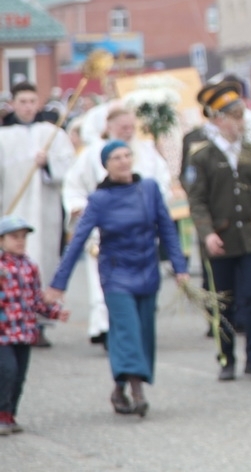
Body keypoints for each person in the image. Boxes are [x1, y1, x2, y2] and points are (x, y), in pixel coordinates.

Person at [47, 141, 188, 417]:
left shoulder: (149, 189)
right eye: (116, 158)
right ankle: (137, 391)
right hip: (117, 274)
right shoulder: (99, 200)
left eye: (127, 155)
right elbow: (77, 241)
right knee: (127, 330)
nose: (123, 161)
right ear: (106, 165)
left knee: (143, 333)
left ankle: (118, 388)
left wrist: (179, 267)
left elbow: (167, 230)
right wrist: (58, 284)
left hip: (147, 269)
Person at [185, 81, 251, 381]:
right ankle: (226, 358)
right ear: (218, 119)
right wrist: (207, 233)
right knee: (222, 302)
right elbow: (197, 201)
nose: (241, 122)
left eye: (241, 116)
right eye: (235, 117)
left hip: (250, 239)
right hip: (220, 241)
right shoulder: (202, 156)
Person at [63, 105, 173, 348]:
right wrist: (78, 206)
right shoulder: (93, 154)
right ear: (109, 127)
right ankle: (105, 328)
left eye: (131, 126)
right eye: (123, 127)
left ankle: (135, 329)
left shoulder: (147, 152)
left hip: (141, 233)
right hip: (105, 233)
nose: (128, 131)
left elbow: (162, 183)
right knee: (106, 286)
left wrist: (155, 207)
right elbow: (73, 186)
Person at [0, 81, 76, 346]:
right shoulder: (3, 137)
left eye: (32, 101)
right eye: (23, 102)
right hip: (13, 208)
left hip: (45, 212)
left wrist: (49, 164)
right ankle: (11, 320)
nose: (28, 107)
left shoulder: (52, 133)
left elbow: (69, 167)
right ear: (13, 104)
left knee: (41, 262)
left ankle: (39, 322)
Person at [0, 215, 69, 435]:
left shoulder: (30, 267)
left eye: (23, 237)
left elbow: (36, 300)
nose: (20, 241)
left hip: (24, 331)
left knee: (19, 375)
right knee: (7, 371)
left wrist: (55, 312)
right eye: (14, 237)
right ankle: (2, 413)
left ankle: (11, 413)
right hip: (3, 333)